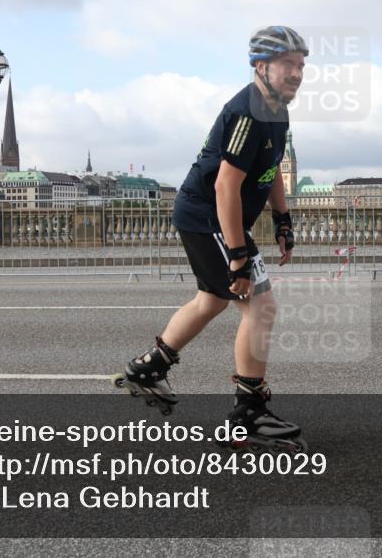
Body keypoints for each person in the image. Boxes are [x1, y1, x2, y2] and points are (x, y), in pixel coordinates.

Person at [116, 26, 308, 449]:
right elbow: (226, 186)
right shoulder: (249, 111)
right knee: (260, 309)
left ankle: (150, 366)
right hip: (208, 216)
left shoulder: (277, 109)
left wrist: (283, 220)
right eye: (288, 64)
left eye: (301, 65)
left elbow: (271, 166)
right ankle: (249, 414)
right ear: (261, 67)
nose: (297, 73)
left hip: (208, 215)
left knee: (212, 299)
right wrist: (238, 254)